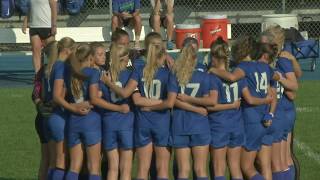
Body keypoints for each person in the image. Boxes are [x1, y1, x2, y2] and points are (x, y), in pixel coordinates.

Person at [102, 32, 176, 180]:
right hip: (161, 122)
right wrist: (160, 104)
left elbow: (134, 98)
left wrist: (108, 82)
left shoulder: (138, 68)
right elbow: (170, 102)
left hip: (142, 122)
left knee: (142, 169)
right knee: (162, 169)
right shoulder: (169, 72)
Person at [209, 36, 278, 180]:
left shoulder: (243, 68)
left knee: (244, 167)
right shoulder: (265, 67)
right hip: (263, 118)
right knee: (254, 165)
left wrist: (213, 70)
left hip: (248, 120)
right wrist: (269, 110)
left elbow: (233, 78)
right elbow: (274, 87)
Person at [169, 37, 216, 180]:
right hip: (199, 124)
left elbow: (173, 101)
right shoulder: (203, 75)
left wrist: (188, 102)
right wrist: (197, 109)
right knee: (200, 169)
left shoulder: (174, 74)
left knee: (183, 170)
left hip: (180, 124)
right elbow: (209, 101)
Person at [92, 44, 136, 180]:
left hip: (108, 122)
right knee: (126, 169)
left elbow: (97, 96)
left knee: (112, 167)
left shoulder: (104, 75)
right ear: (123, 59)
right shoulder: (129, 75)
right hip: (126, 122)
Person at [261, 25, 300, 180]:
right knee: (284, 160)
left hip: (279, 113)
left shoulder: (279, 61)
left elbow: (293, 89)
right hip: (284, 113)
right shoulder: (282, 58)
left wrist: (281, 80)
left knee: (276, 163)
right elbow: (296, 78)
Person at [64, 43, 102, 180]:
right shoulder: (93, 72)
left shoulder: (69, 72)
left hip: (74, 120)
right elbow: (94, 98)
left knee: (74, 167)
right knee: (94, 168)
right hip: (90, 121)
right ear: (90, 57)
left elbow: (62, 96)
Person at [22, 0, 58, 73]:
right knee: (36, 52)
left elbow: (54, 9)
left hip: (47, 27)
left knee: (51, 53)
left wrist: (54, 25)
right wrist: (25, 21)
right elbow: (30, 8)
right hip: (34, 27)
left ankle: (51, 74)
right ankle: (37, 77)